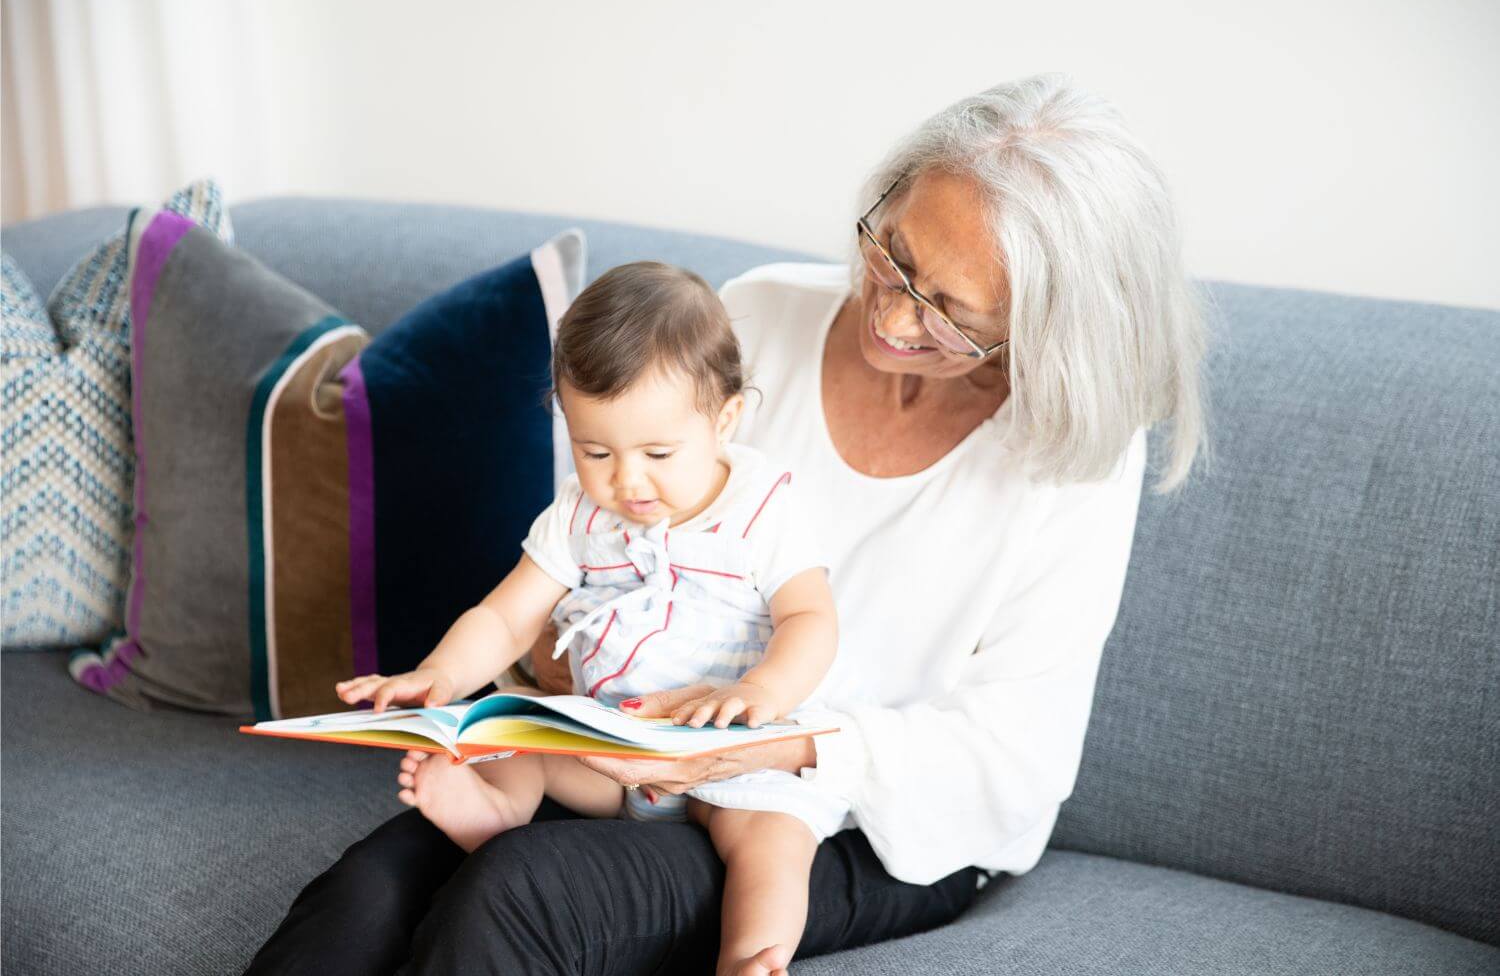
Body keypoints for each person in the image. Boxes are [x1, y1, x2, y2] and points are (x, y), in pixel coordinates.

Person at [248, 72, 1208, 975]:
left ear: (1044, 327)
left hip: (853, 815)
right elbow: (604, 527)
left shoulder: (1074, 453)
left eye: (947, 311)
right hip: (636, 746)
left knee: (520, 894)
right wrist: (552, 660)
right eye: (894, 254)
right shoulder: (756, 316)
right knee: (364, 899)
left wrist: (770, 742)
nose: (892, 315)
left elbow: (1013, 757)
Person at [334, 261, 847, 976]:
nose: (627, 481)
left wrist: (763, 694)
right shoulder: (579, 513)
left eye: (658, 454)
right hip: (609, 755)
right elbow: (509, 617)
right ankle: (495, 815)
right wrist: (438, 675)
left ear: (725, 418)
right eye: (595, 450)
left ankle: (750, 958)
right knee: (513, 724)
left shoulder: (764, 508)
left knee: (772, 840)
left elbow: (810, 619)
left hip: (734, 756)